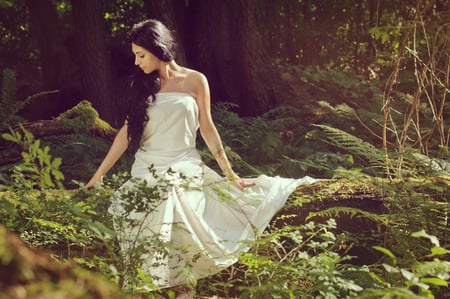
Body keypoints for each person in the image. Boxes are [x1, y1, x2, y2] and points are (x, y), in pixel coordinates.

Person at [86, 19, 318, 292]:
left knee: (178, 194)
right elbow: (126, 133)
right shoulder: (141, 86)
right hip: (148, 167)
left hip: (184, 163)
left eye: (141, 55)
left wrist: (230, 173)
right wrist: (99, 173)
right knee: (155, 202)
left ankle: (185, 285)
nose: (137, 62)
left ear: (158, 49)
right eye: (135, 55)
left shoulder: (196, 80)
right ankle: (166, 286)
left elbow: (207, 128)